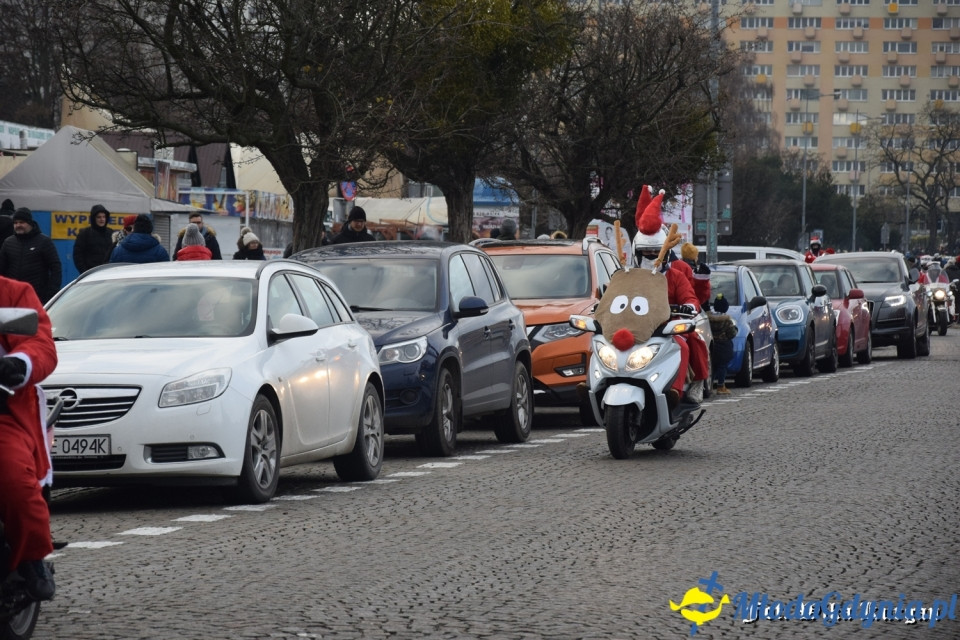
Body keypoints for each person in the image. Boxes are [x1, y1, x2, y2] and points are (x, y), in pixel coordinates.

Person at [0, 276, 59, 601]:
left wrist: (17, 363)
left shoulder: (12, 293)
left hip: (4, 408)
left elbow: (39, 343)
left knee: (13, 481)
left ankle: (31, 556)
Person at [633, 188, 708, 408]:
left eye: (654, 253)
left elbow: (691, 298)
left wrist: (688, 308)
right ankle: (598, 382)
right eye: (645, 253)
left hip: (667, 325)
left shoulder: (675, 275)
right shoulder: (629, 276)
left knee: (687, 344)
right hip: (637, 327)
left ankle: (683, 388)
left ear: (664, 253)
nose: (649, 257)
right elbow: (615, 295)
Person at [0, 208, 62, 304]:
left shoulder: (44, 242)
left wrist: (50, 293)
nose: (18, 225)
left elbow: (55, 268)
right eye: (15, 223)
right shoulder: (8, 243)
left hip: (36, 297)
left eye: (22, 222)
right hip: (12, 297)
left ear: (30, 223)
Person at [708, 293, 737, 395]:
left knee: (713, 367)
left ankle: (710, 385)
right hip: (724, 346)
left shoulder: (709, 320)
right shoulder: (727, 321)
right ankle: (721, 385)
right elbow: (732, 334)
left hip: (713, 346)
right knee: (722, 366)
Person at [72, 204, 114, 273]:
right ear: (93, 218)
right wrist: (85, 272)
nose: (102, 219)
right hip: (90, 273)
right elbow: (78, 256)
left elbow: (114, 253)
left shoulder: (111, 233)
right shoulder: (85, 233)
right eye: (99, 217)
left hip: (107, 273)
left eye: (104, 217)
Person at [680, 242, 712, 309]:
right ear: (695, 257)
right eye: (697, 255)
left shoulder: (676, 267)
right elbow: (703, 296)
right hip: (692, 308)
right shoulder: (694, 272)